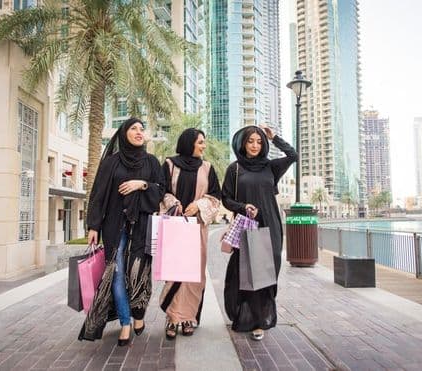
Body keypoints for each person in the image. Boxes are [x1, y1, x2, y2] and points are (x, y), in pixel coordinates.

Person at [86, 117, 165, 346]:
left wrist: (141, 184)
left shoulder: (151, 162)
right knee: (117, 273)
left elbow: (160, 191)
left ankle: (138, 314)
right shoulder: (111, 163)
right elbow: (98, 194)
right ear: (124, 133)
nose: (139, 132)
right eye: (134, 128)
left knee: (138, 273)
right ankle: (125, 322)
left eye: (142, 128)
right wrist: (93, 226)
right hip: (114, 225)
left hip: (141, 225)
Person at [221, 124, 297, 341]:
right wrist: (242, 207)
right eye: (250, 141)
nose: (255, 145)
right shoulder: (235, 169)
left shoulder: (271, 167)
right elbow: (226, 198)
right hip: (248, 224)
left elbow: (293, 155)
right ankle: (255, 321)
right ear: (243, 144)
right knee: (250, 273)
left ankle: (262, 315)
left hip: (271, 224)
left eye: (259, 141)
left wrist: (274, 138)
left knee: (269, 271)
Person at [159, 128, 221, 339]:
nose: (204, 146)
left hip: (196, 228)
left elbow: (215, 197)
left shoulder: (208, 168)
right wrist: (173, 202)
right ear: (189, 143)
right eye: (200, 142)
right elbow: (162, 190)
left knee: (194, 274)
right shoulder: (169, 165)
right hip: (175, 227)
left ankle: (188, 317)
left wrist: (198, 204)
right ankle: (172, 317)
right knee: (175, 273)